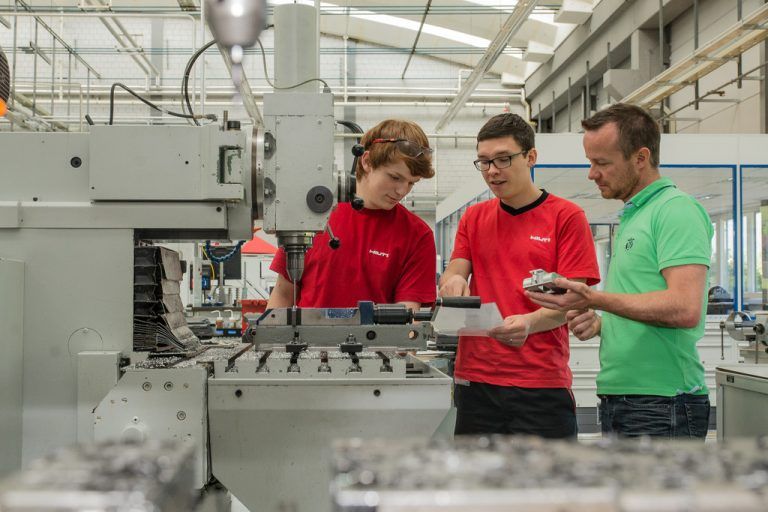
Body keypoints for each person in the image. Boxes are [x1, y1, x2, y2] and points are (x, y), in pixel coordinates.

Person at [527, 103, 713, 440]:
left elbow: (684, 307)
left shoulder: (675, 211)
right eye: (590, 162)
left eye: (602, 163)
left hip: (662, 401)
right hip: (626, 399)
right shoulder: (632, 217)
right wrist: (600, 323)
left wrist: (594, 298)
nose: (592, 173)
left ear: (640, 158)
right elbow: (640, 301)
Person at [438, 113, 600, 438]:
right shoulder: (474, 217)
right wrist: (452, 281)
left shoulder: (566, 217)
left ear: (530, 157)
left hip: (540, 385)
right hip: (477, 381)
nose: (492, 171)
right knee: (478, 486)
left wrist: (528, 323)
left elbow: (573, 301)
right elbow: (458, 266)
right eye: (483, 162)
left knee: (545, 487)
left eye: (502, 159)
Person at [268, 119, 436, 310]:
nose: (402, 191)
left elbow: (408, 315)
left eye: (411, 183)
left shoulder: (417, 235)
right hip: (305, 339)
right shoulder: (311, 215)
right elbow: (283, 293)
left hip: (381, 341)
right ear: (366, 161)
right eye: (395, 177)